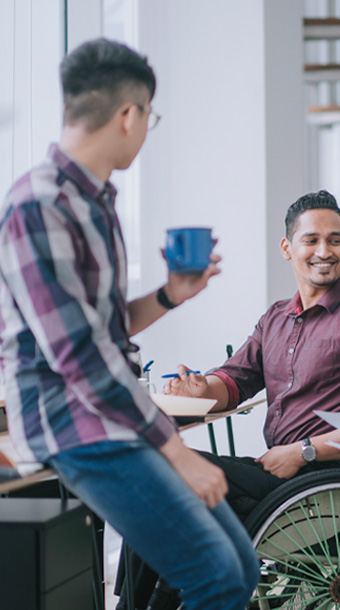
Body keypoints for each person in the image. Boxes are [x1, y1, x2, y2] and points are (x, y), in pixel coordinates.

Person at [0, 38, 259, 610]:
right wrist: (180, 454)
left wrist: (171, 295)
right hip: (78, 426)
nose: (147, 130)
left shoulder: (96, 203)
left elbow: (105, 327)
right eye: (151, 117)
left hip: (108, 418)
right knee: (217, 575)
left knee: (238, 568)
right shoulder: (37, 206)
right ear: (129, 114)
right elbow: (82, 361)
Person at [119, 189, 340, 609]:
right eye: (311, 240)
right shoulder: (277, 317)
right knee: (157, 478)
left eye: (334, 240)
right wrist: (204, 388)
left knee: (167, 471)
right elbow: (236, 379)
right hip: (279, 474)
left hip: (329, 484)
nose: (324, 251)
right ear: (287, 248)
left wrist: (305, 451)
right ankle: (145, 602)